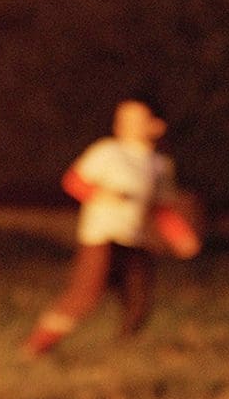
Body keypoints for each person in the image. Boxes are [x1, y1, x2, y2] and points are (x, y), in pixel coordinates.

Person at [23, 95, 198, 357]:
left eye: (136, 119)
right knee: (85, 294)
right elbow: (73, 181)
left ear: (156, 126)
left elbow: (160, 207)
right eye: (123, 119)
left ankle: (125, 351)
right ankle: (35, 346)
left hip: (135, 241)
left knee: (139, 299)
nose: (126, 124)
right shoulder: (107, 152)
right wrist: (100, 193)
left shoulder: (159, 164)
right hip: (102, 237)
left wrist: (180, 235)